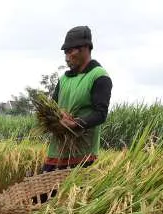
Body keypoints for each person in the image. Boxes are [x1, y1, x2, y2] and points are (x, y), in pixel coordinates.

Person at [43, 26, 112, 173]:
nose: (67, 57)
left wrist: (74, 123)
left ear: (86, 48)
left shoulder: (99, 76)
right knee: (42, 196)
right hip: (55, 154)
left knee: (75, 196)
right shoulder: (64, 79)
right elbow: (52, 107)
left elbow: (100, 114)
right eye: (65, 52)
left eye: (70, 51)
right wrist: (58, 116)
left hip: (82, 158)